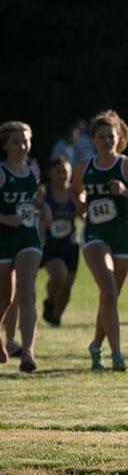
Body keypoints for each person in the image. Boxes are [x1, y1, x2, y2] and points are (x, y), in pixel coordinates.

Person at [72, 110, 128, 371]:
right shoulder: (83, 167)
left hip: (125, 235)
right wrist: (81, 206)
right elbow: (76, 193)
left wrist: (126, 192)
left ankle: (96, 346)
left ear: (119, 137)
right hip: (95, 235)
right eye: (101, 137)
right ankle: (117, 355)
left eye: (111, 136)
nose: (106, 141)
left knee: (110, 296)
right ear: (93, 140)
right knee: (108, 290)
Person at [0, 122, 50, 372]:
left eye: (26, 141)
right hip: (3, 240)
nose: (22, 146)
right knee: (4, 297)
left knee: (26, 292)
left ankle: (28, 352)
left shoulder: (32, 170)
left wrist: (45, 209)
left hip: (28, 238)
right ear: (5, 145)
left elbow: (36, 198)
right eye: (16, 142)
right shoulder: (1, 172)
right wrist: (5, 218)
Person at [41, 157, 81, 326]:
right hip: (50, 245)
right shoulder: (43, 193)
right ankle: (50, 301)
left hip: (70, 244)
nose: (62, 175)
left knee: (67, 284)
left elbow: (84, 214)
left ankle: (55, 318)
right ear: (50, 174)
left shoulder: (75, 193)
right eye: (58, 172)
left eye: (65, 171)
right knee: (60, 276)